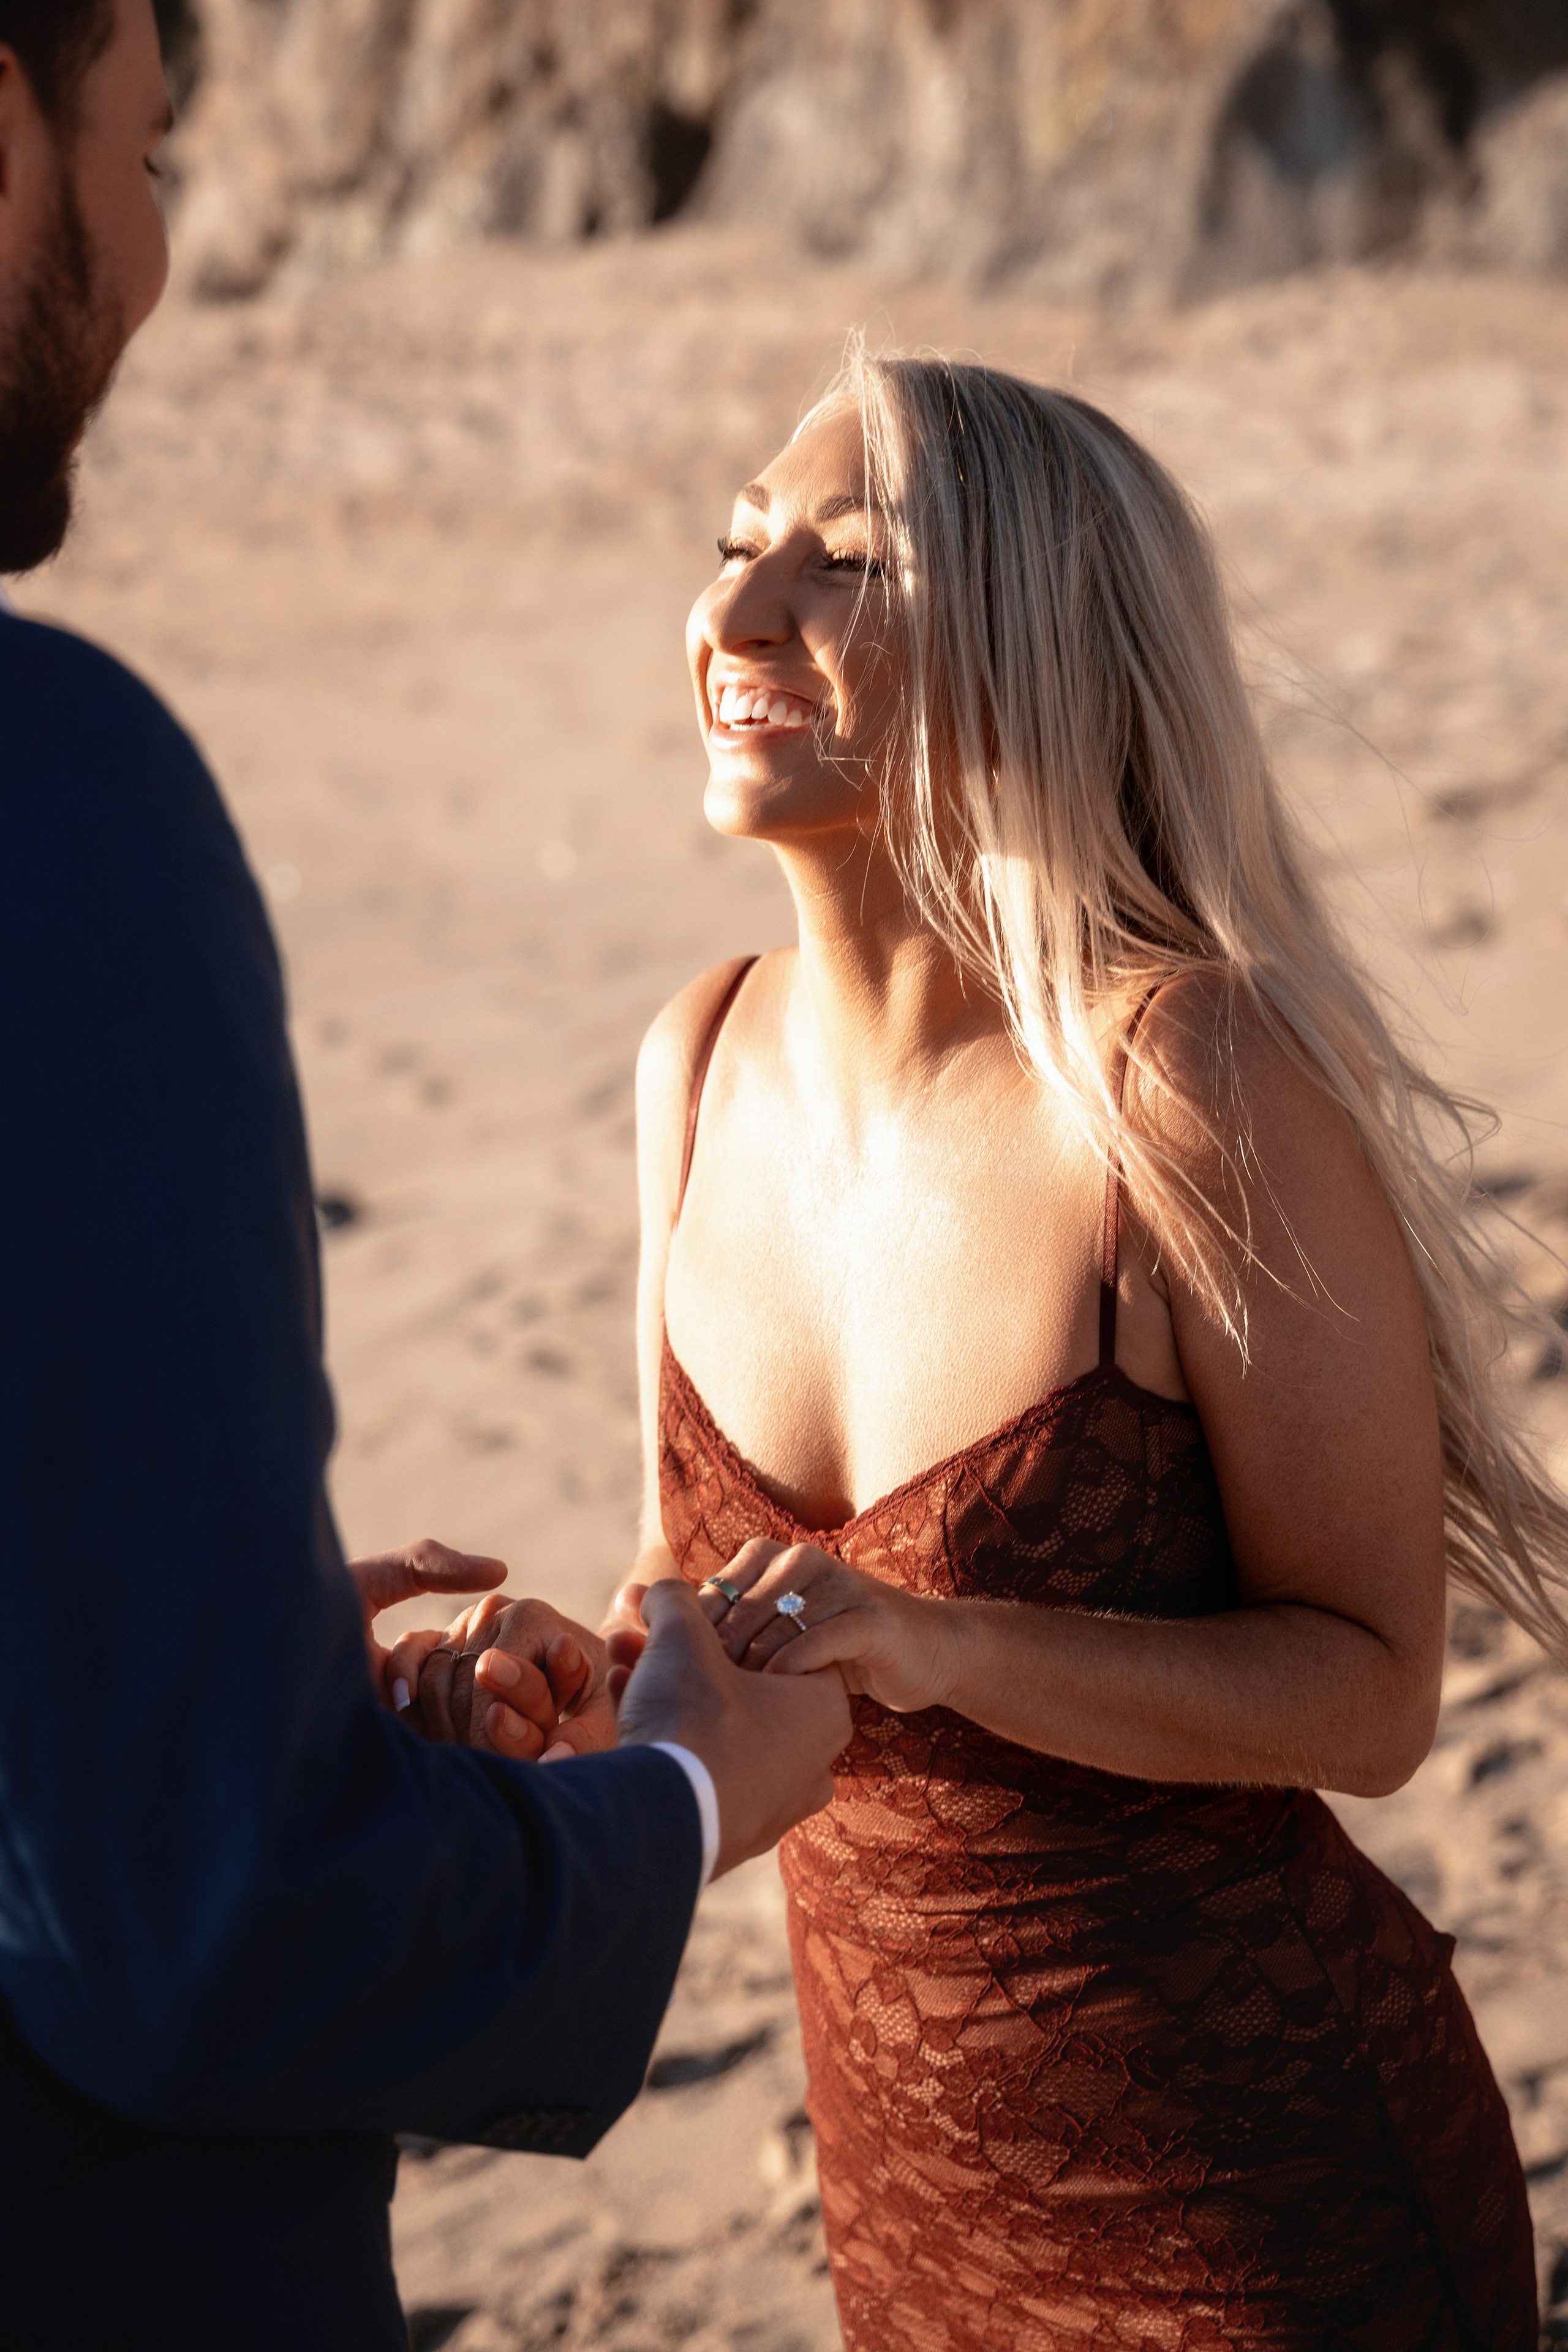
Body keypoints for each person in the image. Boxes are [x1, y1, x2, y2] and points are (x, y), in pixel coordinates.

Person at [470, 353, 1566, 2347]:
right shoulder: (699, 1061)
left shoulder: (1190, 1084)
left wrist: (950, 1639)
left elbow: (1373, 1695)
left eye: (848, 565)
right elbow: (695, 1586)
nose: (736, 616)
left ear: (1036, 650)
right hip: (909, 2196)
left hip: (1265, 2197)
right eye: (733, 549)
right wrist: (583, 1689)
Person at [0, 7, 849, 2348]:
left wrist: (219, 1673)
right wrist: (670, 1801)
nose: (156, 264)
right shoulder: (51, 815)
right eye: (145, 154)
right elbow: (211, 1949)